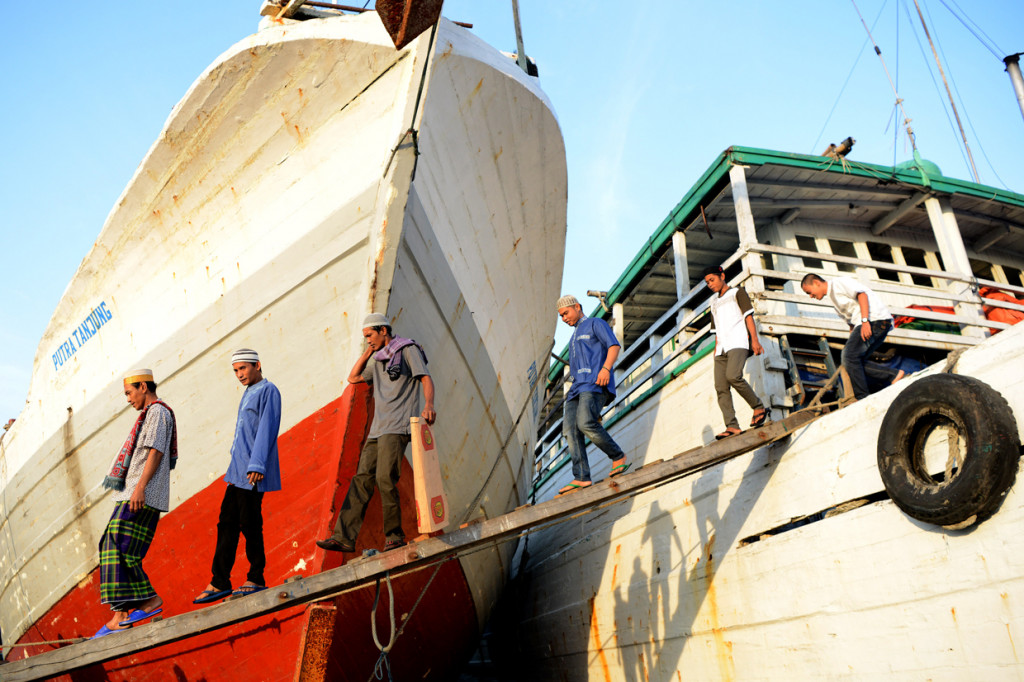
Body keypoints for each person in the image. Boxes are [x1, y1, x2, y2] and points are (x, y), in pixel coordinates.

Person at [316, 313, 435, 554]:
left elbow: (425, 378)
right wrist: (369, 352)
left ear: (383, 330)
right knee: (362, 479)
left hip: (397, 425)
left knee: (384, 478)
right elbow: (353, 378)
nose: (367, 340)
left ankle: (394, 536)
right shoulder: (379, 359)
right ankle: (343, 538)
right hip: (377, 429)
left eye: (369, 335)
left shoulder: (407, 349)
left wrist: (429, 405)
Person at [193, 349, 282, 605]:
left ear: (257, 365)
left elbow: (267, 427)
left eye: (243, 368)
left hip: (253, 470)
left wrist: (257, 464)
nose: (239, 374)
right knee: (226, 523)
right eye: (235, 370)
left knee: (250, 522)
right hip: (237, 471)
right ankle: (220, 580)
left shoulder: (269, 390)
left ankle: (256, 577)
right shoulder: (247, 393)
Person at [93, 369, 177, 638]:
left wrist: (140, 487)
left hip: (141, 494)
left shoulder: (157, 413)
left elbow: (156, 451)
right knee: (114, 545)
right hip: (132, 492)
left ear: (143, 386)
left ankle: (149, 601)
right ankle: (121, 614)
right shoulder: (148, 415)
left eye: (129, 392)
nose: (128, 399)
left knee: (119, 547)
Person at [555, 295, 628, 495]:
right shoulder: (572, 338)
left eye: (565, 313)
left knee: (585, 423)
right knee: (570, 429)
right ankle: (581, 477)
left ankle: (618, 456)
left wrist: (605, 369)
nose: (564, 319)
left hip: (594, 383)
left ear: (577, 307)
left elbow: (614, 346)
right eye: (561, 316)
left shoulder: (596, 323)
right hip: (576, 389)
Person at [801, 273, 894, 400]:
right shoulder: (833, 298)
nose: (811, 296)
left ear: (817, 283)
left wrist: (865, 321)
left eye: (809, 292)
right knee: (854, 362)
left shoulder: (839, 283)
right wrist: (852, 335)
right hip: (872, 323)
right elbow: (851, 321)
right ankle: (893, 375)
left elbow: (862, 295)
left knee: (849, 357)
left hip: (874, 320)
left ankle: (862, 397)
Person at [702, 266, 767, 439]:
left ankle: (758, 406)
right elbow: (716, 331)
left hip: (738, 342)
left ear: (722, 276)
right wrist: (716, 352)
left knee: (733, 376)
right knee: (720, 387)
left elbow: (748, 317)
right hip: (721, 349)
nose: (709, 284)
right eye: (707, 282)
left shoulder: (737, 292)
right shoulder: (713, 303)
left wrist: (754, 340)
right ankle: (732, 426)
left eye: (712, 280)